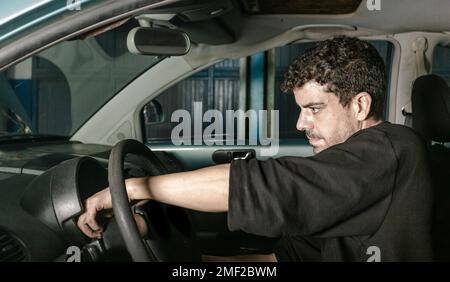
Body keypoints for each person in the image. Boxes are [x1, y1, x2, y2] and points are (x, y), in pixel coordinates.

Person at [77, 36, 434, 262]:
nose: (300, 123)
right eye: (300, 109)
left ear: (359, 105)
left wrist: (131, 189)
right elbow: (282, 261)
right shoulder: (350, 178)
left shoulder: (392, 149)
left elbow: (271, 187)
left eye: (314, 109)